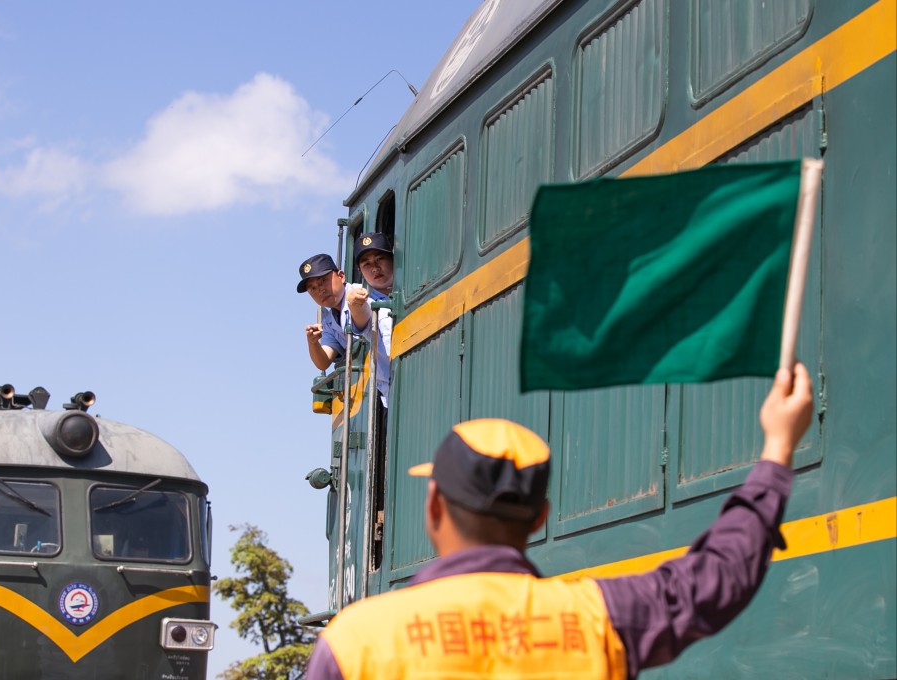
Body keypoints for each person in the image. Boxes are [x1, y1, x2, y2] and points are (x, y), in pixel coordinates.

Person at [306, 363, 814, 679]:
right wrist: (776, 451)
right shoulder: (601, 620)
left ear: (434, 506)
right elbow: (719, 577)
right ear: (540, 517)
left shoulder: (358, 641)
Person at [298, 253, 373, 371]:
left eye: (323, 280)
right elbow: (323, 363)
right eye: (312, 288)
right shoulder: (328, 322)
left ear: (341, 276)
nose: (320, 290)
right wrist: (312, 342)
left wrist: (355, 304)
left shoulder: (360, 292)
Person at [351, 233, 394, 407]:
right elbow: (361, 319)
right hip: (394, 395)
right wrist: (355, 303)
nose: (375, 268)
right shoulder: (367, 301)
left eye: (380, 259)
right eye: (366, 264)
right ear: (360, 271)